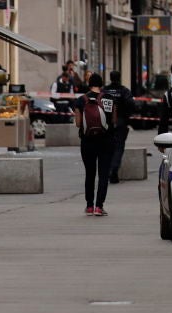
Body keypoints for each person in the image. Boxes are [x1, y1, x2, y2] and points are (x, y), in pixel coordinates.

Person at [73, 73, 118, 216]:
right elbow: (114, 121)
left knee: (90, 173)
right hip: (106, 140)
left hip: (88, 142)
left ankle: (89, 206)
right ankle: (99, 206)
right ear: (102, 84)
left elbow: (78, 123)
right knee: (103, 174)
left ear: (89, 83)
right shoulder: (110, 99)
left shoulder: (81, 100)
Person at [102, 70, 135, 184]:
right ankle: (114, 171)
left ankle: (106, 171)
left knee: (106, 148)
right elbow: (131, 104)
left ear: (110, 78)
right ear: (119, 78)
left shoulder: (104, 90)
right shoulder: (124, 91)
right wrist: (127, 116)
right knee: (118, 147)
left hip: (106, 123)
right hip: (120, 122)